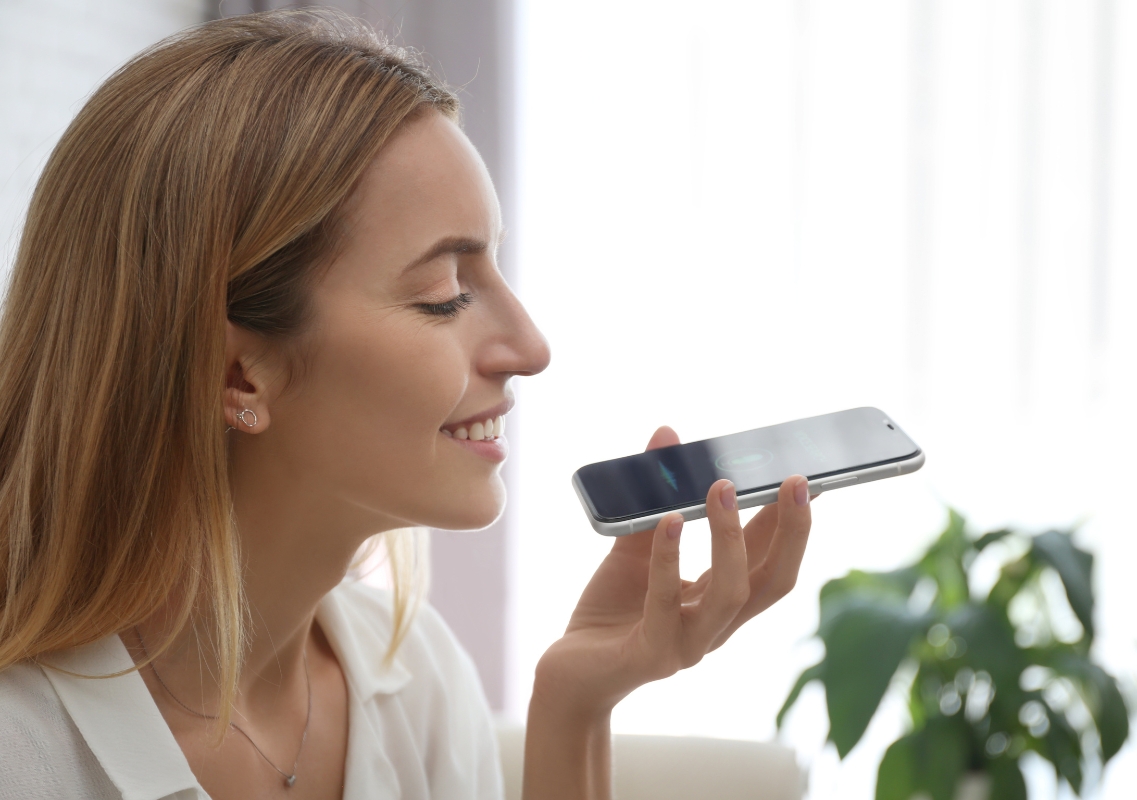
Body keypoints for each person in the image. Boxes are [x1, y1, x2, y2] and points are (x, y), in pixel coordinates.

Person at [0, 9, 813, 800]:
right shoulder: (24, 752)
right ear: (239, 378)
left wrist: (576, 704)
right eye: (444, 294)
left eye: (493, 269)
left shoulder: (414, 685)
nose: (530, 347)